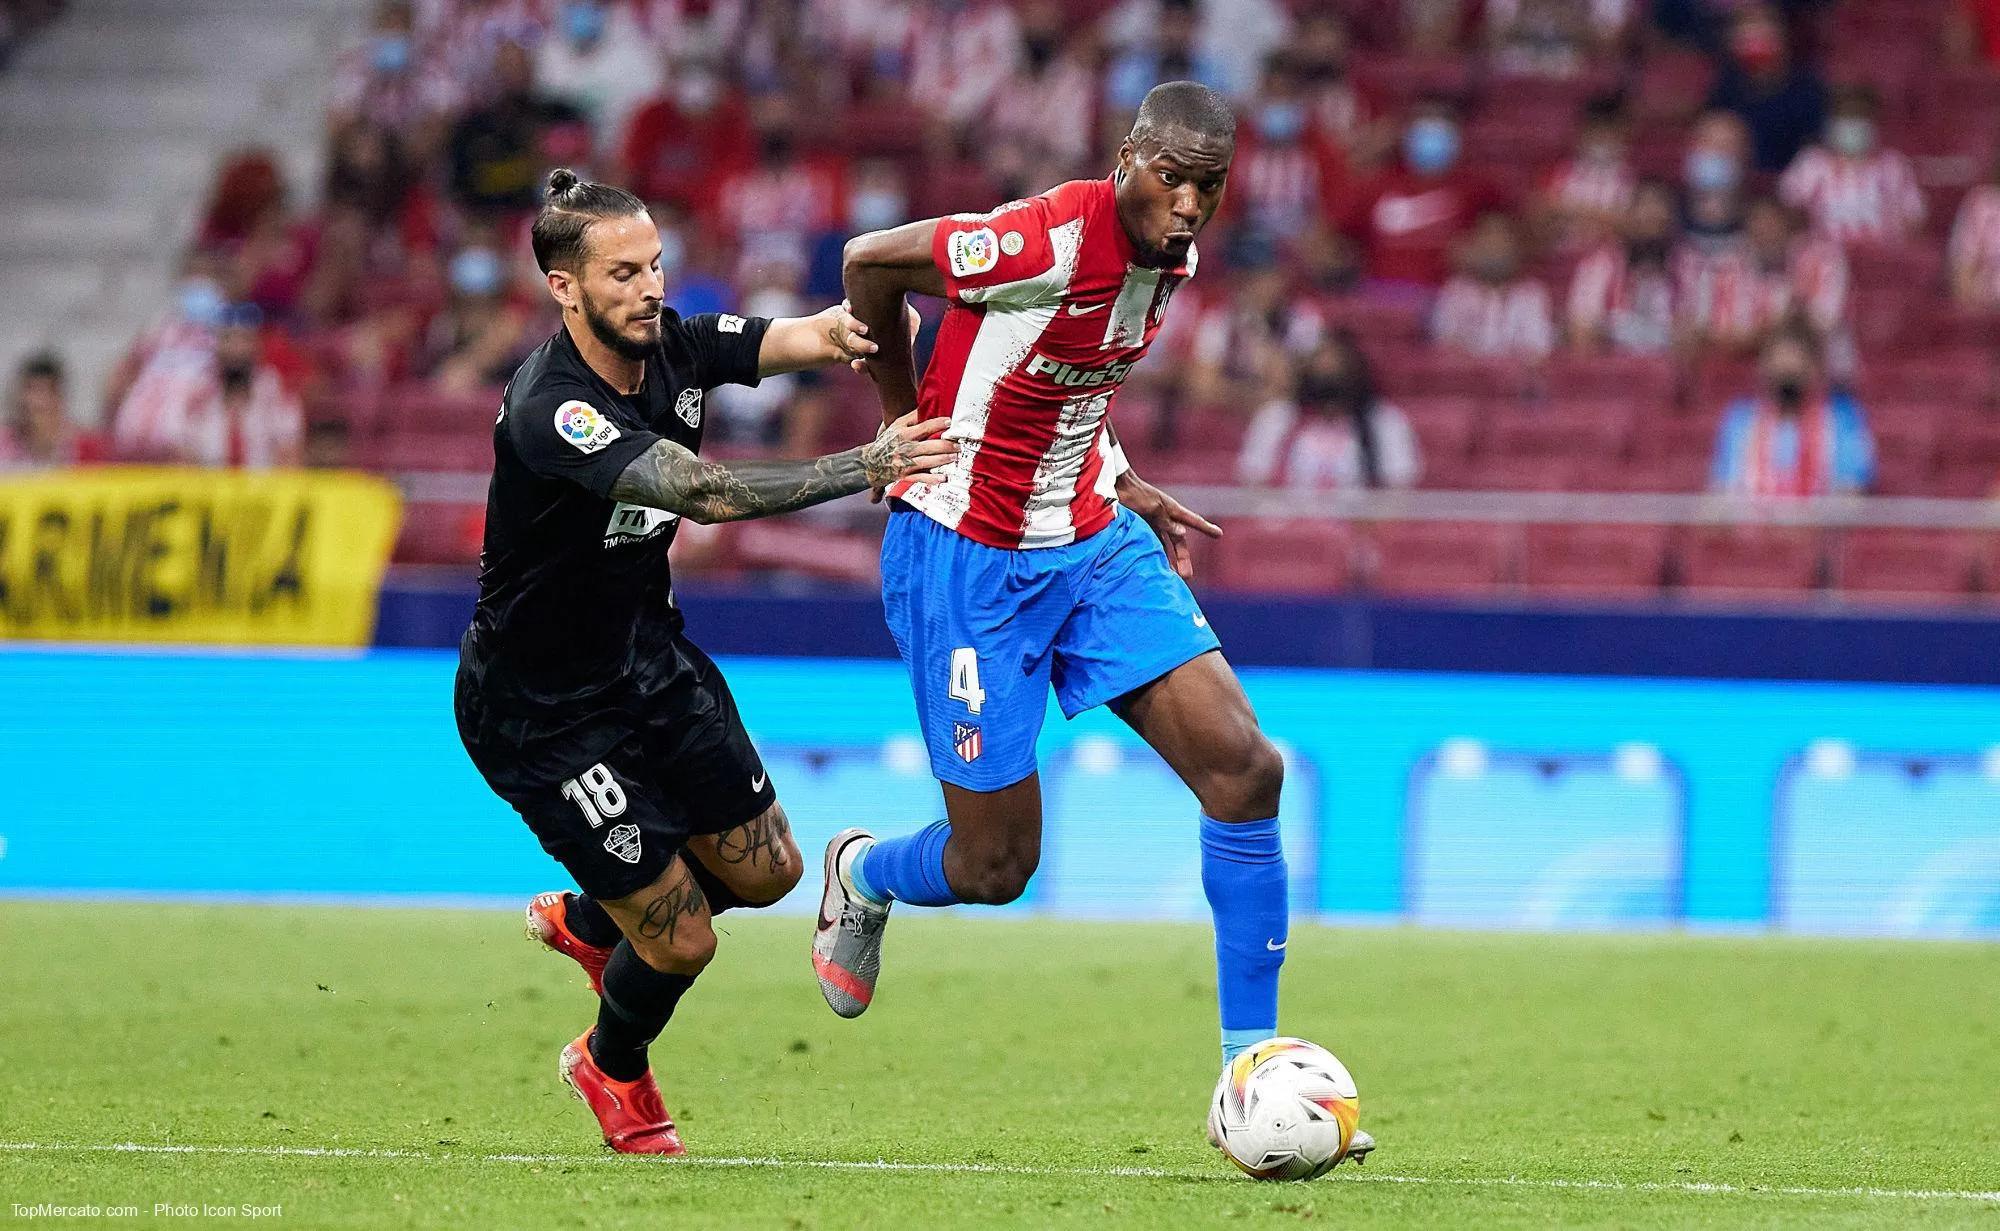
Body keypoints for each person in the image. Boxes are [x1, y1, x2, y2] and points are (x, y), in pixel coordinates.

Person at [835, 81, 1375, 1167]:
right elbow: (868, 261)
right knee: (995, 866)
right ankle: (867, 873)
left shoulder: (1171, 252)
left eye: (1208, 186)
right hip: (965, 554)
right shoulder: (1038, 239)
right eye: (1171, 178)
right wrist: (901, 417)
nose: (1189, 204)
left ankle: (1249, 1073)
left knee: (1245, 769)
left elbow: (1066, 380)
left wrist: (1121, 479)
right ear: (1128, 158)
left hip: (1087, 536)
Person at [455, 170, 953, 1156]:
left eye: (655, 265)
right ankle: (611, 1063)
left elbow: (811, 334)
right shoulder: (555, 408)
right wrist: (866, 464)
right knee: (683, 939)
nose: (650, 287)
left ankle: (596, 922)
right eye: (624, 273)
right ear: (564, 288)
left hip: (647, 659)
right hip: (542, 710)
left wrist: (874, 323)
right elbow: (704, 493)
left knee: (769, 871)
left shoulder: (675, 343)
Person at [111, 305, 303, 469]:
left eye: (244, 340)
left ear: (257, 346)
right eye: (228, 340)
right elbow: (181, 455)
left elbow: (289, 454)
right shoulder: (196, 394)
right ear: (216, 346)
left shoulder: (276, 393)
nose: (236, 350)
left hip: (265, 491)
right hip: (208, 491)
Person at [1237, 330, 1420, 489]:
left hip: (1360, 517)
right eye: (1321, 367)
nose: (1328, 372)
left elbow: (1397, 493)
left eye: (1337, 366)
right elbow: (1254, 485)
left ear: (1355, 371)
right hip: (1287, 516)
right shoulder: (1277, 418)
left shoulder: (1384, 422)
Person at [1710, 325, 1872, 497]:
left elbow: (1851, 488)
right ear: (1764, 368)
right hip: (1750, 513)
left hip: (1821, 513)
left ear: (1813, 368)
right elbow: (1723, 489)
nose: (1787, 367)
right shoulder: (1741, 420)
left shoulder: (1841, 418)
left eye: (1795, 359)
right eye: (1780, 360)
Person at [1777, 86, 1925, 246]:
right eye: (1845, 117)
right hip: (1824, 255)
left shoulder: (1893, 165)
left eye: (1859, 118)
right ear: (1831, 123)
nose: (1852, 124)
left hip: (1884, 255)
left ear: (1874, 123)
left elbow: (1915, 217)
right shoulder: (1811, 163)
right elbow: (1786, 210)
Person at [1704, 2, 1826, 175]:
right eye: (1745, 25)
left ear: (1782, 33)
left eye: (1763, 23)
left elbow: (1815, 154)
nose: (1754, 34)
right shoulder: (1723, 89)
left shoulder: (1807, 91)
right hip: (1739, 183)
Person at [1567, 179, 1681, 354]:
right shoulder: (1599, 264)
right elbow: (1581, 332)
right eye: (1643, 207)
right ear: (1627, 216)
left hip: (1670, 365)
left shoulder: (1687, 266)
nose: (1651, 214)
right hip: (1612, 367)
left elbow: (1700, 335)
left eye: (1658, 208)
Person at [1431, 211, 1557, 360]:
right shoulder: (1456, 290)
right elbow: (1444, 345)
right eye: (1488, 240)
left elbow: (1538, 351)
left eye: (1501, 240)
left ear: (1515, 247)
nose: (1494, 247)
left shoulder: (1533, 293)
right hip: (1466, 372)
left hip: (1515, 373)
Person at [0, 352, 103, 470]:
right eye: (33, 391)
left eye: (49, 391)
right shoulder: (4, 442)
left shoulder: (86, 446)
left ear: (60, 397)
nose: (40, 402)